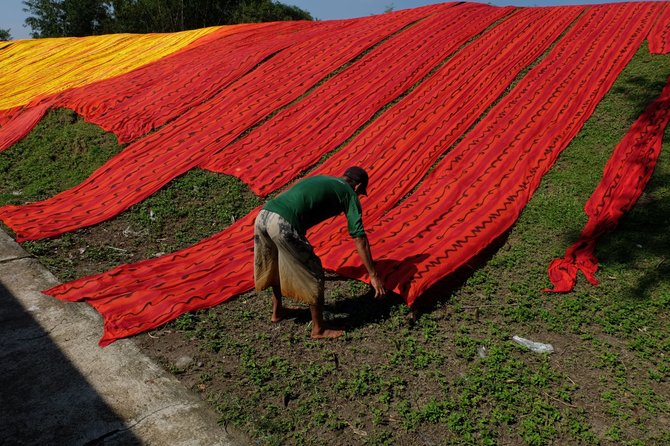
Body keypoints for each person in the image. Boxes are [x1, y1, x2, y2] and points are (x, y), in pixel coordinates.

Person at [254, 166, 386, 339]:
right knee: (315, 272)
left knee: (275, 263)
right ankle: (319, 329)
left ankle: (277, 311)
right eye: (361, 192)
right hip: (282, 223)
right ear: (358, 187)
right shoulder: (349, 193)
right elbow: (359, 237)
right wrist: (373, 275)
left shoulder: (324, 178)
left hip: (263, 215)